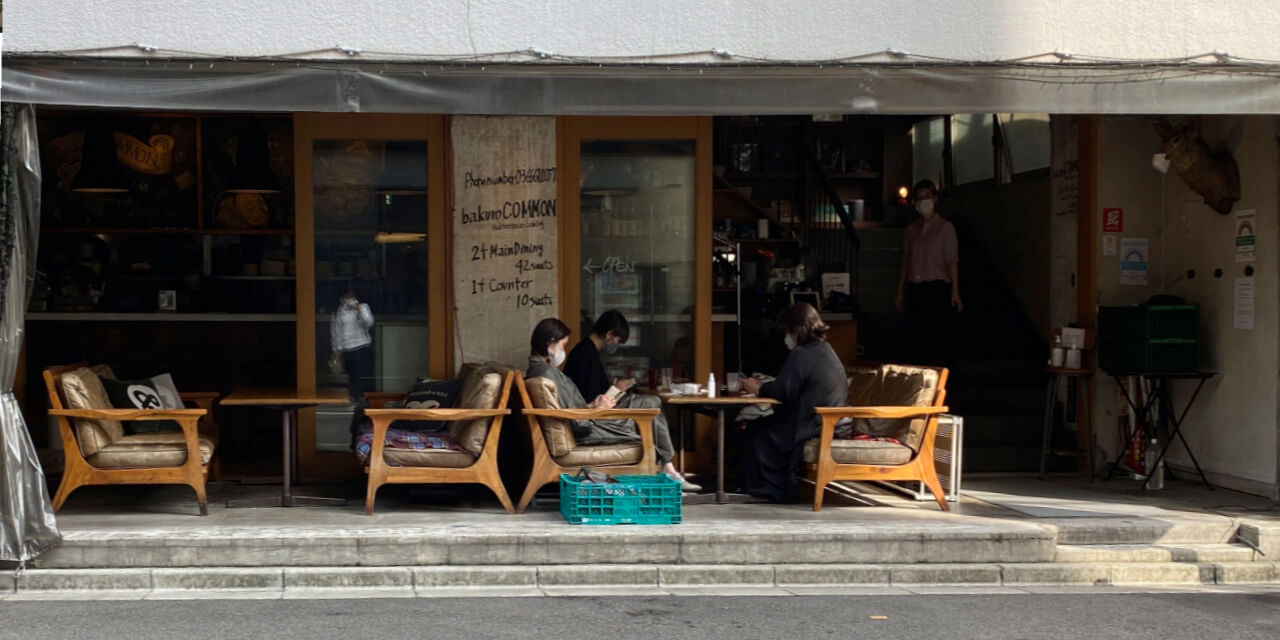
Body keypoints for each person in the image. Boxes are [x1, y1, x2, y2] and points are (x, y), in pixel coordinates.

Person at [527, 318, 700, 491]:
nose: (564, 351)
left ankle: (667, 467)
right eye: (563, 345)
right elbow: (578, 423)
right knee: (650, 409)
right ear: (551, 344)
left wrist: (592, 406)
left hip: (589, 417)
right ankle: (668, 468)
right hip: (590, 426)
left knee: (650, 403)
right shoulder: (546, 374)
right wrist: (598, 409)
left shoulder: (542, 371)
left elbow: (569, 408)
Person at [739, 303, 847, 502]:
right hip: (823, 420)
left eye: (788, 331)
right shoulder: (823, 349)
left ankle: (770, 488)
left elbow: (782, 391)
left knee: (756, 431)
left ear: (797, 329)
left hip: (810, 423)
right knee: (761, 427)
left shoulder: (802, 354)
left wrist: (757, 388)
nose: (786, 337)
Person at [895, 179, 961, 367]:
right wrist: (900, 291)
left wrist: (955, 291)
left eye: (927, 196)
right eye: (919, 197)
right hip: (916, 288)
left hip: (937, 287)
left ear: (935, 199)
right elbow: (906, 262)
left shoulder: (945, 228)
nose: (923, 201)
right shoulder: (911, 229)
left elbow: (951, 261)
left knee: (938, 336)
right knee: (916, 337)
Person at [563, 309, 635, 402]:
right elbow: (591, 399)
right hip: (592, 413)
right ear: (609, 334)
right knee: (650, 401)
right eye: (618, 341)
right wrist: (616, 390)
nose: (616, 346)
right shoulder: (586, 355)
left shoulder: (586, 350)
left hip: (596, 408)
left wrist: (613, 387)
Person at [331, 289, 374, 403]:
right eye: (346, 297)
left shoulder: (363, 307)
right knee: (352, 374)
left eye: (351, 296)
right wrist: (337, 349)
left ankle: (362, 396)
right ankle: (353, 396)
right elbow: (336, 331)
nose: (349, 299)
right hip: (347, 347)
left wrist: (359, 310)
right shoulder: (339, 311)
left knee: (361, 372)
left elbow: (369, 322)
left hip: (361, 344)